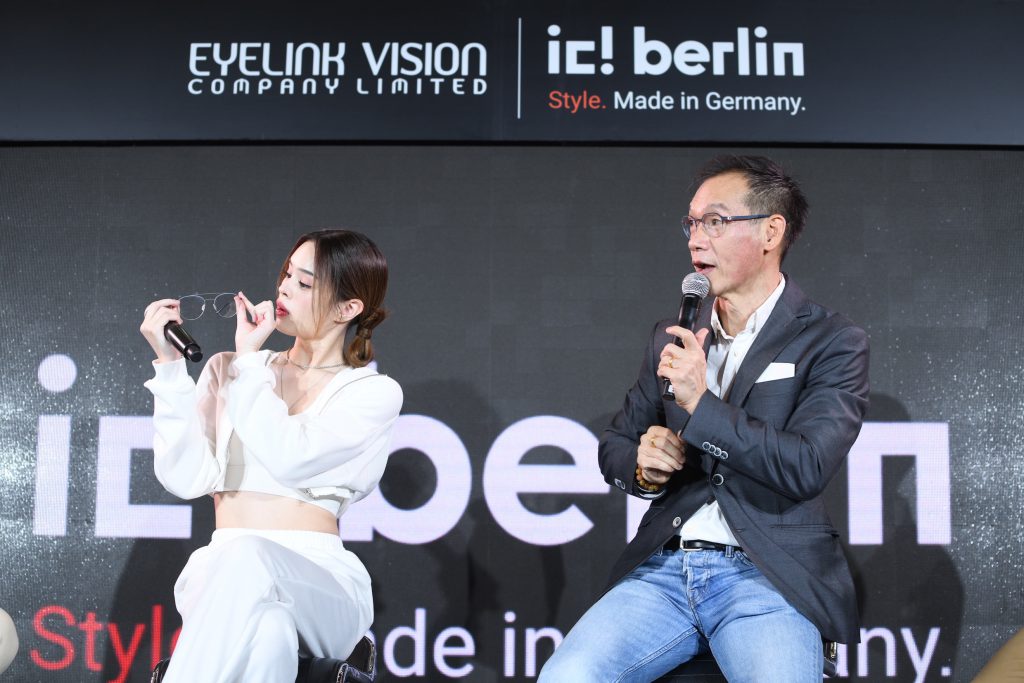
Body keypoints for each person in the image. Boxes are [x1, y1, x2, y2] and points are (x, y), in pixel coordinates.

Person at [539, 156, 869, 682]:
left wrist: (701, 405)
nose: (696, 240)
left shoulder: (830, 341)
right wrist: (644, 466)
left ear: (770, 231)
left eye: (715, 222)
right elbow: (616, 444)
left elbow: (806, 465)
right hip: (665, 571)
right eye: (691, 223)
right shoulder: (674, 334)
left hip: (768, 577)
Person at [139, 229, 402, 682]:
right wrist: (170, 368)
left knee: (247, 557)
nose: (284, 288)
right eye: (286, 274)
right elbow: (186, 477)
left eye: (304, 283)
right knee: (269, 633)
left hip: (320, 583)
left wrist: (249, 362)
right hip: (223, 568)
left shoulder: (371, 392)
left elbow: (290, 456)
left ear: (347, 308)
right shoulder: (228, 368)